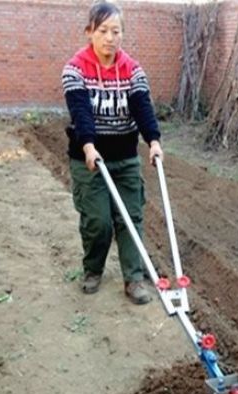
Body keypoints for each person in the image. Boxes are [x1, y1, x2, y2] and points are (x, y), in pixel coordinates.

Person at [62, 0, 163, 305]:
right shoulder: (74, 69)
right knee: (98, 222)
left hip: (125, 156)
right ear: (89, 32)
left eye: (116, 31)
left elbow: (143, 108)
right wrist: (89, 145)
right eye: (103, 30)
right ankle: (93, 270)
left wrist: (154, 140)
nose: (110, 37)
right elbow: (80, 112)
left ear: (122, 34)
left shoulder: (133, 70)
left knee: (130, 218)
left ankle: (133, 279)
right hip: (89, 159)